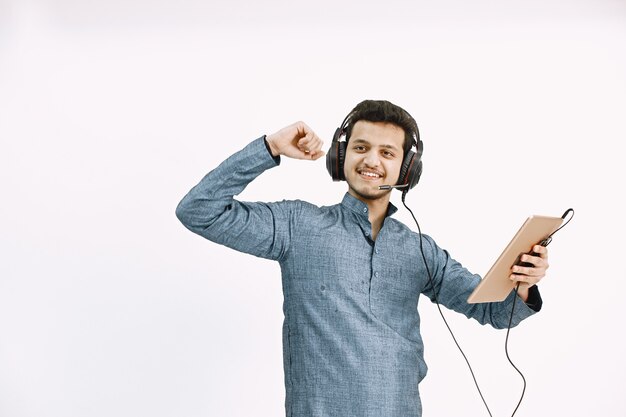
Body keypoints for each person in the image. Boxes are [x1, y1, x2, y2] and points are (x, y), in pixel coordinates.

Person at [175, 100, 549, 417]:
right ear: (341, 156)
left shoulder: (420, 250)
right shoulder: (296, 225)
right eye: (360, 147)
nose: (371, 160)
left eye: (387, 153)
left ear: (406, 169)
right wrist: (270, 147)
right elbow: (199, 211)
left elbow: (494, 311)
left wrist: (523, 284)